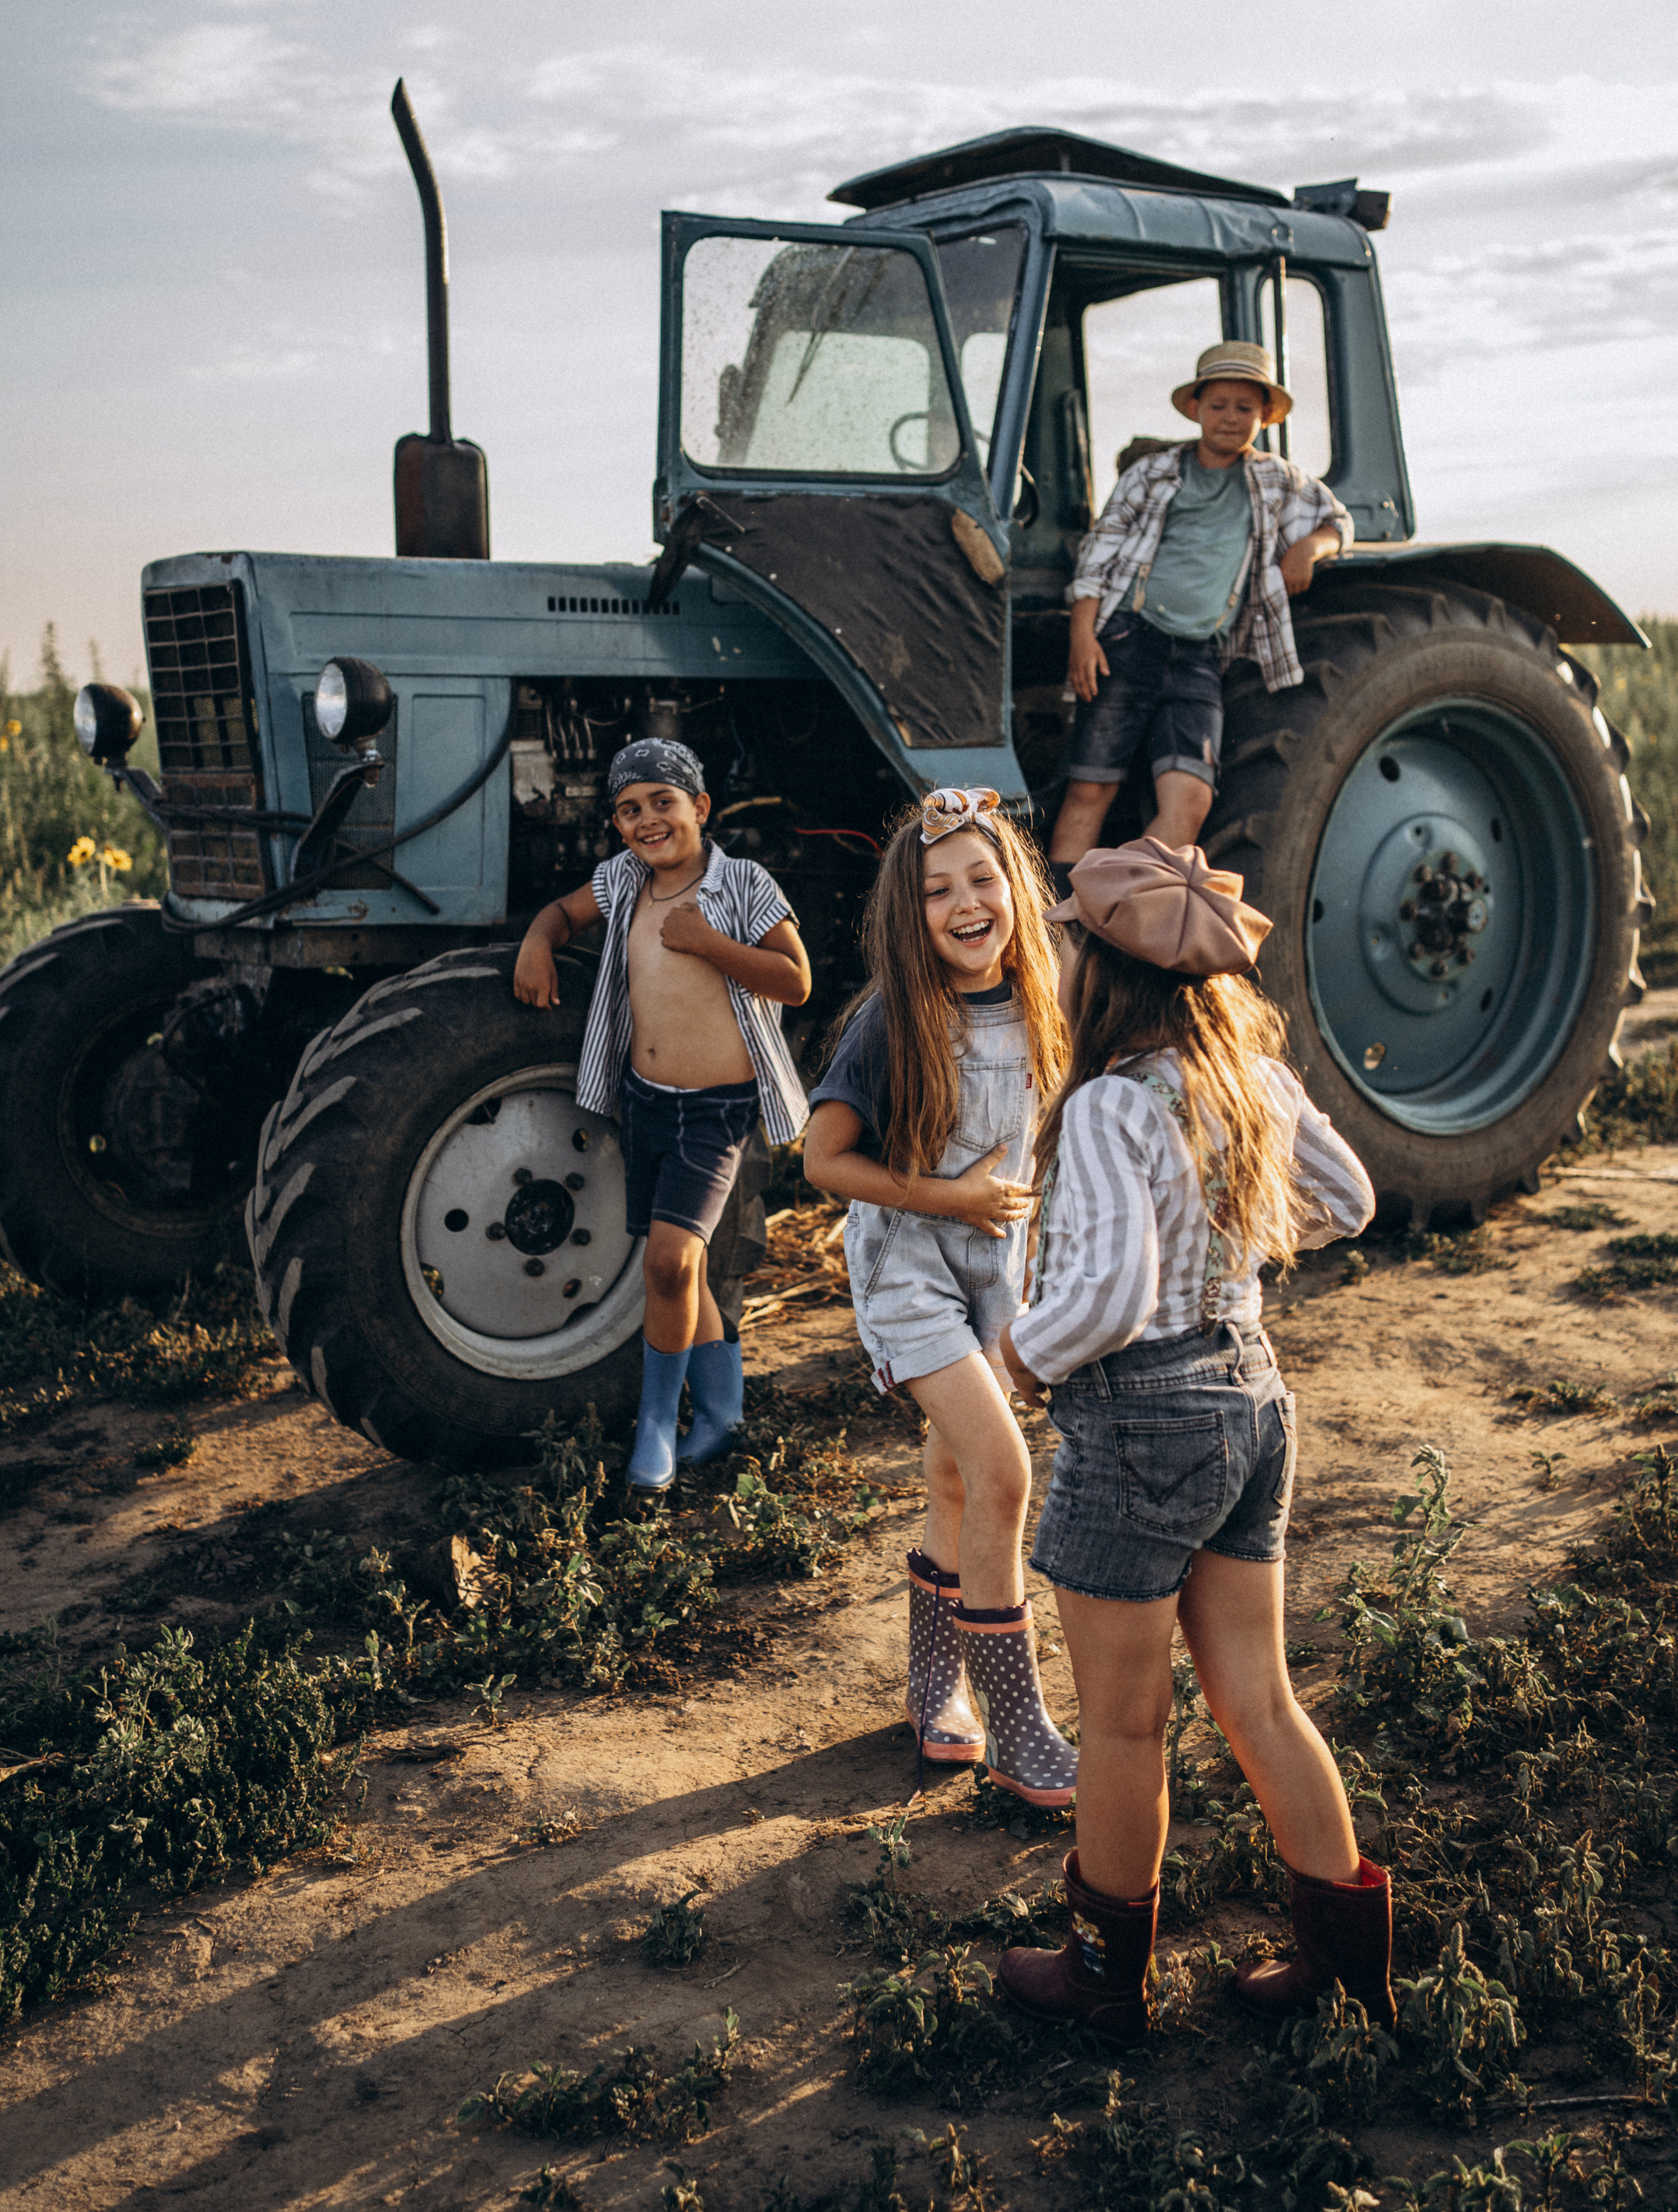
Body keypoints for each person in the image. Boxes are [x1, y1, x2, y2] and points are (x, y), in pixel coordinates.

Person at [992, 839, 1386, 2043]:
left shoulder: (1112, 1103)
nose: (1052, 956)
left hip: (1144, 1414)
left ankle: (1107, 1979)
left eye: (1067, 940)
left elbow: (1108, 1295)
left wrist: (1020, 1352)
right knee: (1258, 1696)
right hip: (1253, 1392)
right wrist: (1243, 1235)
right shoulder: (1248, 1082)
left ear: (1108, 970)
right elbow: (1350, 1199)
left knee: (1121, 1723)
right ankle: (1349, 1965)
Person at [802, 787, 1076, 1804]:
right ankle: (1021, 1729)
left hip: (1000, 1264)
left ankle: (935, 1686)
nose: (965, 903)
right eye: (936, 890)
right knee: (1002, 1471)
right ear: (906, 914)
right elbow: (824, 1159)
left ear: (1015, 887)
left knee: (956, 1480)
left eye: (981, 878)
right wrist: (949, 1198)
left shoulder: (1053, 999)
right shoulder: (890, 1020)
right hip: (909, 1261)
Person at [513, 738, 811, 1493]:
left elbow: (795, 981)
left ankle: (656, 1423)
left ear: (700, 808)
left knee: (669, 1265)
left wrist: (710, 944)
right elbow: (560, 912)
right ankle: (722, 1411)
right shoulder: (621, 882)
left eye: (662, 802)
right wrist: (537, 943)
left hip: (716, 1113)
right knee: (684, 1269)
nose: (646, 820)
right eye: (628, 809)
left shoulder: (742, 884)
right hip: (647, 1104)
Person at [1048, 342, 1353, 875]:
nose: (1230, 418)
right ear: (1195, 409)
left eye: (1245, 408)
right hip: (1127, 640)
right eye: (1219, 405)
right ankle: (1057, 933)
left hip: (1200, 659)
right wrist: (1083, 635)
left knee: (1190, 804)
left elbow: (1339, 521)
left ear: (1264, 417)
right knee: (1091, 787)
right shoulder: (1154, 474)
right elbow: (1100, 553)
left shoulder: (1276, 479)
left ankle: (1115, 913)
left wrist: (1309, 548)